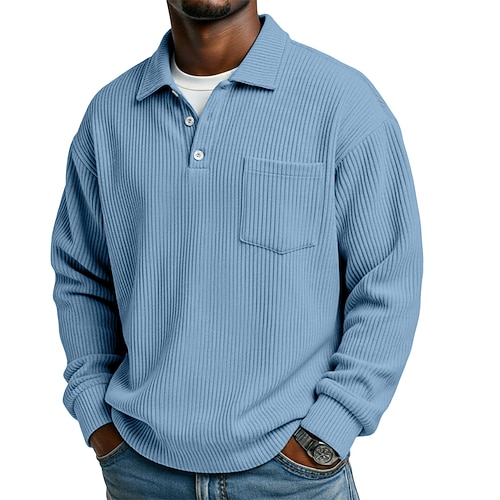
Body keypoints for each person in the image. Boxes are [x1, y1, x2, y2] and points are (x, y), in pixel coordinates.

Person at [51, 1, 423, 498]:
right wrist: (97, 417)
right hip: (140, 471)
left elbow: (388, 280)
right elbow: (82, 277)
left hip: (290, 478)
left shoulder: (342, 102)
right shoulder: (109, 116)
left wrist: (329, 431)